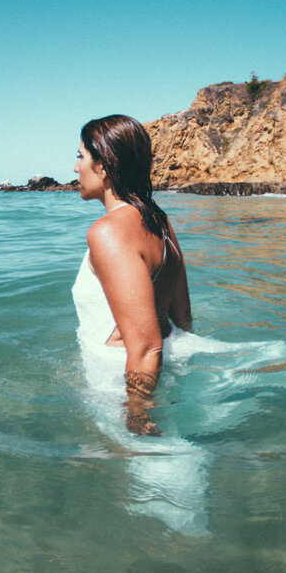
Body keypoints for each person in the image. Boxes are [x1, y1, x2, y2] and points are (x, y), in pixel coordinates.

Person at [71, 114, 192, 435]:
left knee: (143, 471)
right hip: (166, 357)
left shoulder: (108, 231)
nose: (75, 168)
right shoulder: (159, 220)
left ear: (104, 166)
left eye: (80, 156)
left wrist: (137, 415)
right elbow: (182, 315)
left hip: (123, 377)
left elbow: (145, 347)